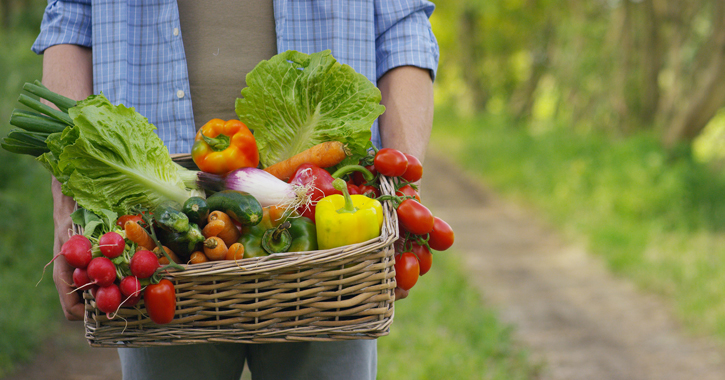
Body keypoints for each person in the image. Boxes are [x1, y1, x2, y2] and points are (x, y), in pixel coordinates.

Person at [34, 1, 438, 379]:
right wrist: (67, 204)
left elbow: (402, 24)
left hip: (330, 219)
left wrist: (398, 190)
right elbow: (71, 19)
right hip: (155, 232)